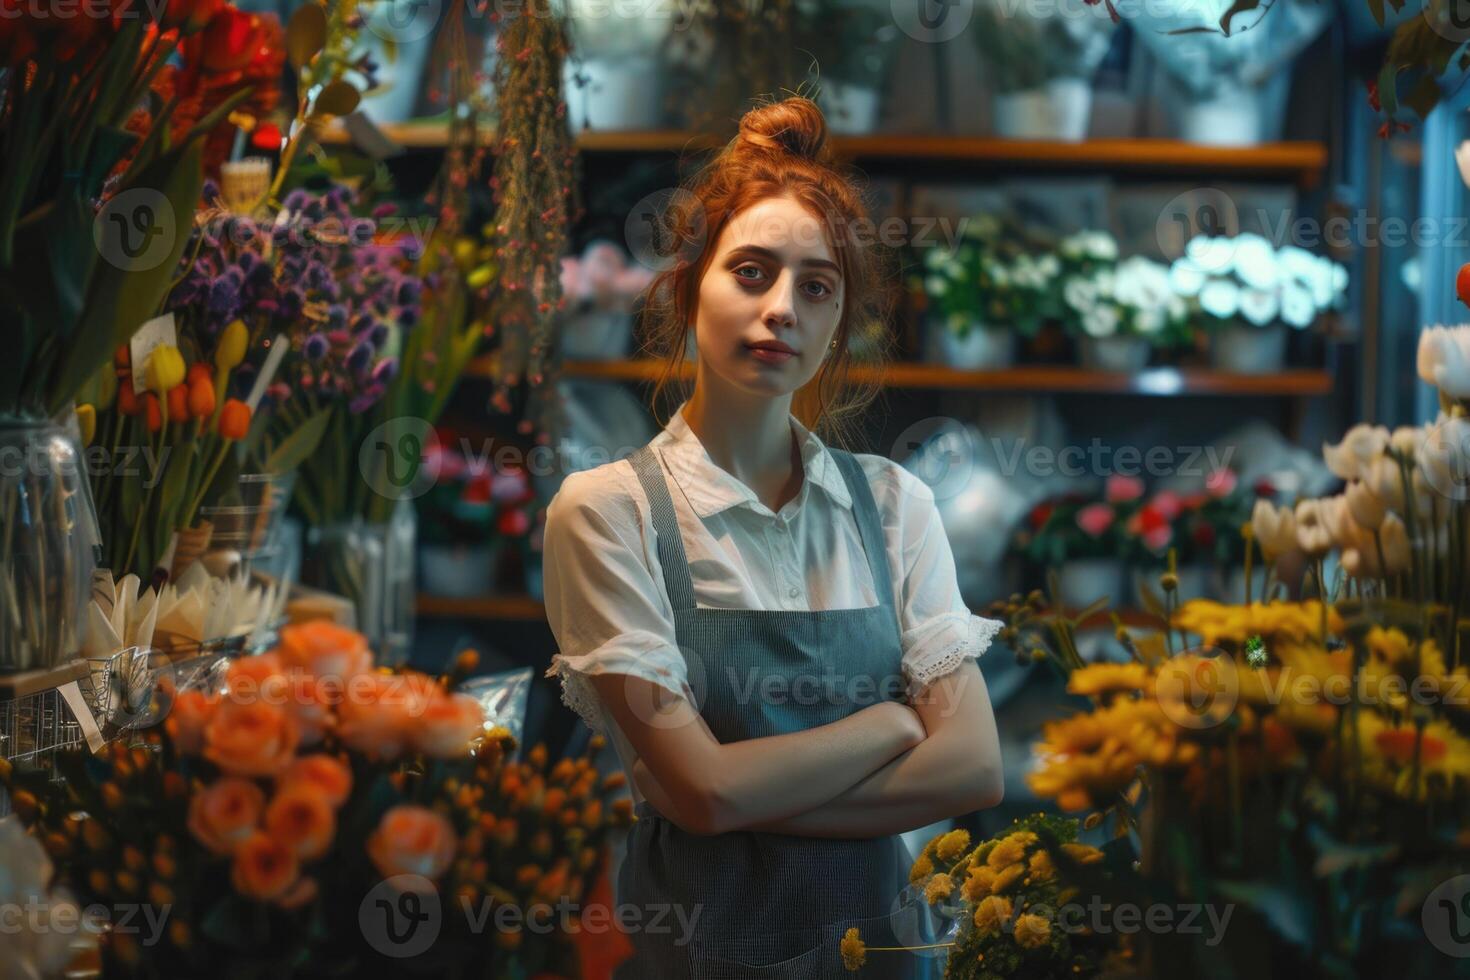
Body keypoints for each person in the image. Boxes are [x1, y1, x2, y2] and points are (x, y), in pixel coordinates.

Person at [542, 96, 1004, 979]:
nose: (783, 307)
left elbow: (975, 768)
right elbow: (703, 793)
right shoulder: (609, 513)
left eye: (817, 287)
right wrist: (897, 720)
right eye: (752, 271)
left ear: (836, 327)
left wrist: (723, 795)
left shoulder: (896, 504)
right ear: (689, 286)